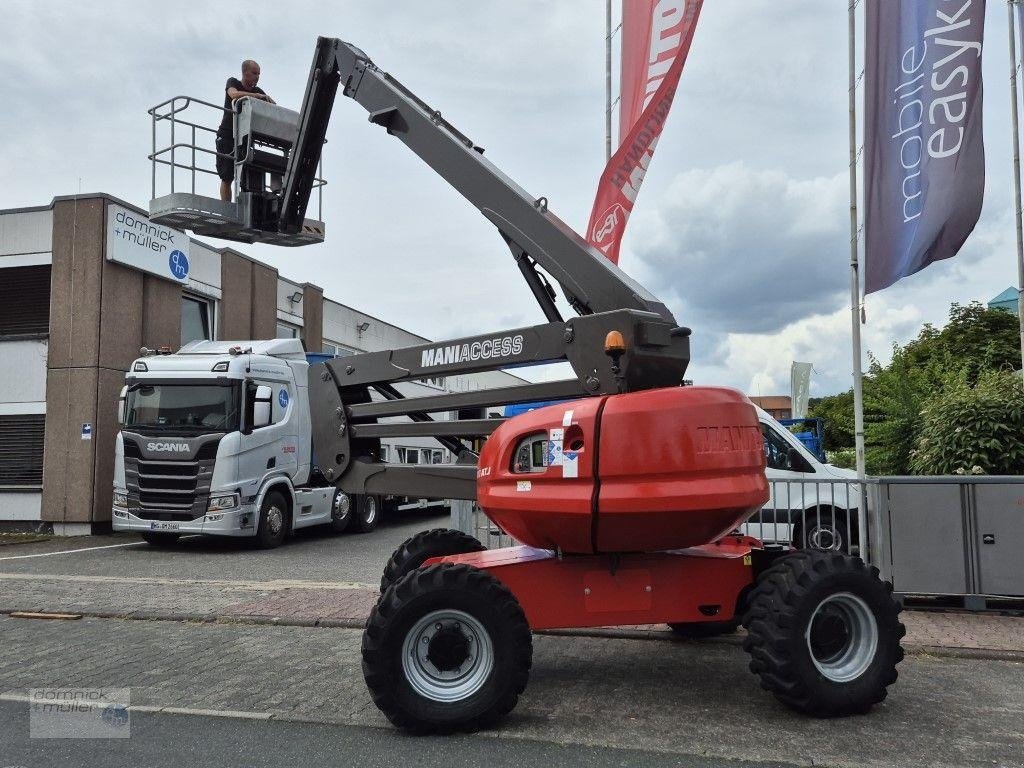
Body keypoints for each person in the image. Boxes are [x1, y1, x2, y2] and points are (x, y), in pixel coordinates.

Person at [216, 60, 275, 201]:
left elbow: (273, 107)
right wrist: (256, 97)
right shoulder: (233, 82)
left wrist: (267, 100)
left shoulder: (258, 91)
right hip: (227, 135)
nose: (257, 77)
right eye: (254, 73)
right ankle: (227, 208)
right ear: (245, 72)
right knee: (227, 176)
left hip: (245, 138)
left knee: (247, 176)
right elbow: (233, 94)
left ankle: (245, 205)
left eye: (259, 74)